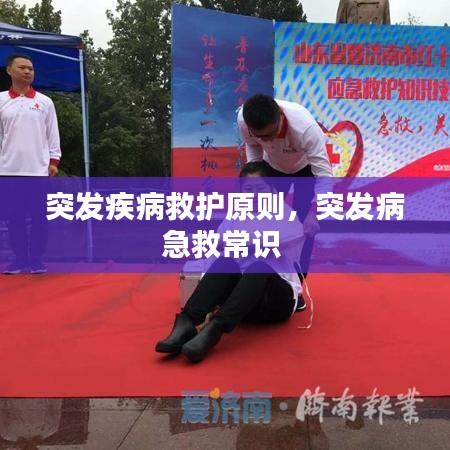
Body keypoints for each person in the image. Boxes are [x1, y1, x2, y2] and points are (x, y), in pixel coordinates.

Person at [155, 162, 305, 363]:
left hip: (274, 302)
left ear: (271, 189)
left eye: (260, 189)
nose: (254, 195)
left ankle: (214, 330)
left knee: (258, 267)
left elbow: (289, 239)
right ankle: (187, 323)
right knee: (225, 261)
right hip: (240, 305)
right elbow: (217, 249)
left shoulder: (286, 215)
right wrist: (209, 292)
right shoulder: (235, 216)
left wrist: (243, 242)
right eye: (248, 190)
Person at [237, 94, 333, 309]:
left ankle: (295, 288)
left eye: (272, 134)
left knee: (302, 230)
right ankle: (258, 280)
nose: (268, 141)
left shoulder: (305, 128)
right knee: (262, 222)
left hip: (305, 170)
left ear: (280, 116)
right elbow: (253, 147)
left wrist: (314, 212)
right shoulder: (244, 119)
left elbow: (324, 174)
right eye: (262, 136)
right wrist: (256, 179)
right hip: (271, 169)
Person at [0, 54, 61, 274]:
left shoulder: (44, 102)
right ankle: (20, 259)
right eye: (22, 67)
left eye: (31, 69)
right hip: (9, 170)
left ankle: (36, 259)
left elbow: (52, 133)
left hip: (38, 170)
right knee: (14, 218)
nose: (27, 72)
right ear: (9, 71)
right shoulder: (1, 100)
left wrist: (54, 160)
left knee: (39, 218)